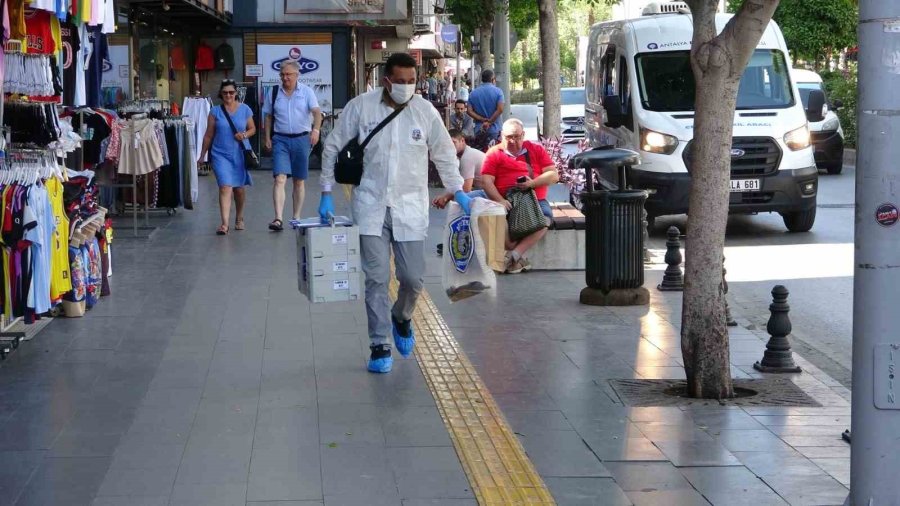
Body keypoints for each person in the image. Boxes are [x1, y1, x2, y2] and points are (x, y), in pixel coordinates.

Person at [318, 52, 470, 374]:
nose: (406, 87)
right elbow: (332, 145)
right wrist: (326, 192)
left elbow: (444, 154)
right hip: (370, 205)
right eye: (400, 82)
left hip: (410, 208)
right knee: (375, 278)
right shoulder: (362, 107)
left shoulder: (424, 112)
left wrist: (458, 191)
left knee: (413, 279)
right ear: (386, 80)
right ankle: (379, 344)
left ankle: (401, 316)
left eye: (411, 81)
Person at [480, 118, 559, 274]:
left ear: (523, 135)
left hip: (534, 199)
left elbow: (553, 175)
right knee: (503, 232)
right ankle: (515, 259)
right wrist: (499, 200)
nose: (512, 141)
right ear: (502, 136)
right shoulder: (494, 153)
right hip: (505, 200)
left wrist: (533, 183)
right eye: (509, 137)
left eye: (516, 136)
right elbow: (486, 181)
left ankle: (513, 257)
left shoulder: (535, 150)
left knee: (544, 220)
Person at [262, 60, 322, 232]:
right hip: (280, 139)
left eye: (288, 74)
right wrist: (267, 137)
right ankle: (278, 218)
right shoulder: (274, 92)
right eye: (282, 74)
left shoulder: (306, 92)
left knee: (298, 181)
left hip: (301, 139)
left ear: (297, 75)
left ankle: (296, 216)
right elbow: (268, 117)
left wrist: (316, 130)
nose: (285, 77)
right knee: (279, 178)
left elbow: (316, 113)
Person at [198, 79, 256, 235]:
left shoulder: (245, 109)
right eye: (225, 93)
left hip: (240, 153)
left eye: (231, 92)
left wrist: (244, 135)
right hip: (220, 154)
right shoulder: (215, 112)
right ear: (221, 94)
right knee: (225, 186)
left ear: (236, 93)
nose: (228, 95)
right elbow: (209, 135)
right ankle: (224, 223)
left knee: (239, 189)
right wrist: (202, 154)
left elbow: (253, 129)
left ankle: (239, 217)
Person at [467, 69, 505, 141]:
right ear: (492, 79)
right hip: (495, 129)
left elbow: (469, 111)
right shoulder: (498, 92)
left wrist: (482, 119)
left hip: (479, 129)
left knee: (480, 151)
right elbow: (500, 109)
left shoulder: (473, 93)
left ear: (482, 79)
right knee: (494, 151)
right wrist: (490, 121)